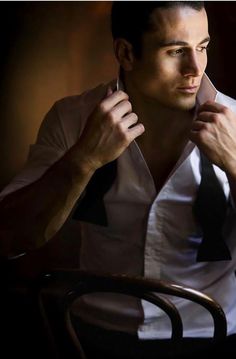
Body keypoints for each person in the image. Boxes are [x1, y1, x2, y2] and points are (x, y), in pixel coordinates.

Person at [0, 1, 236, 358]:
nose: (195, 69)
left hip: (213, 337)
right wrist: (83, 160)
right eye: (176, 51)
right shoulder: (72, 119)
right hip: (90, 336)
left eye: (202, 48)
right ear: (126, 52)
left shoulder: (235, 122)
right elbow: (9, 237)